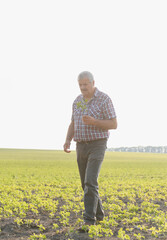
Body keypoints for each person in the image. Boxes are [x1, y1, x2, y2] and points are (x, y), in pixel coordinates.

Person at [63, 71, 117, 226]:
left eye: (86, 84)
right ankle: (99, 215)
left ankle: (89, 221)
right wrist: (67, 140)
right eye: (80, 84)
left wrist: (95, 122)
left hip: (97, 144)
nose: (83, 87)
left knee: (90, 182)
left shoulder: (103, 99)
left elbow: (113, 124)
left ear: (93, 83)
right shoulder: (78, 101)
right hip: (81, 145)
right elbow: (73, 122)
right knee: (85, 184)